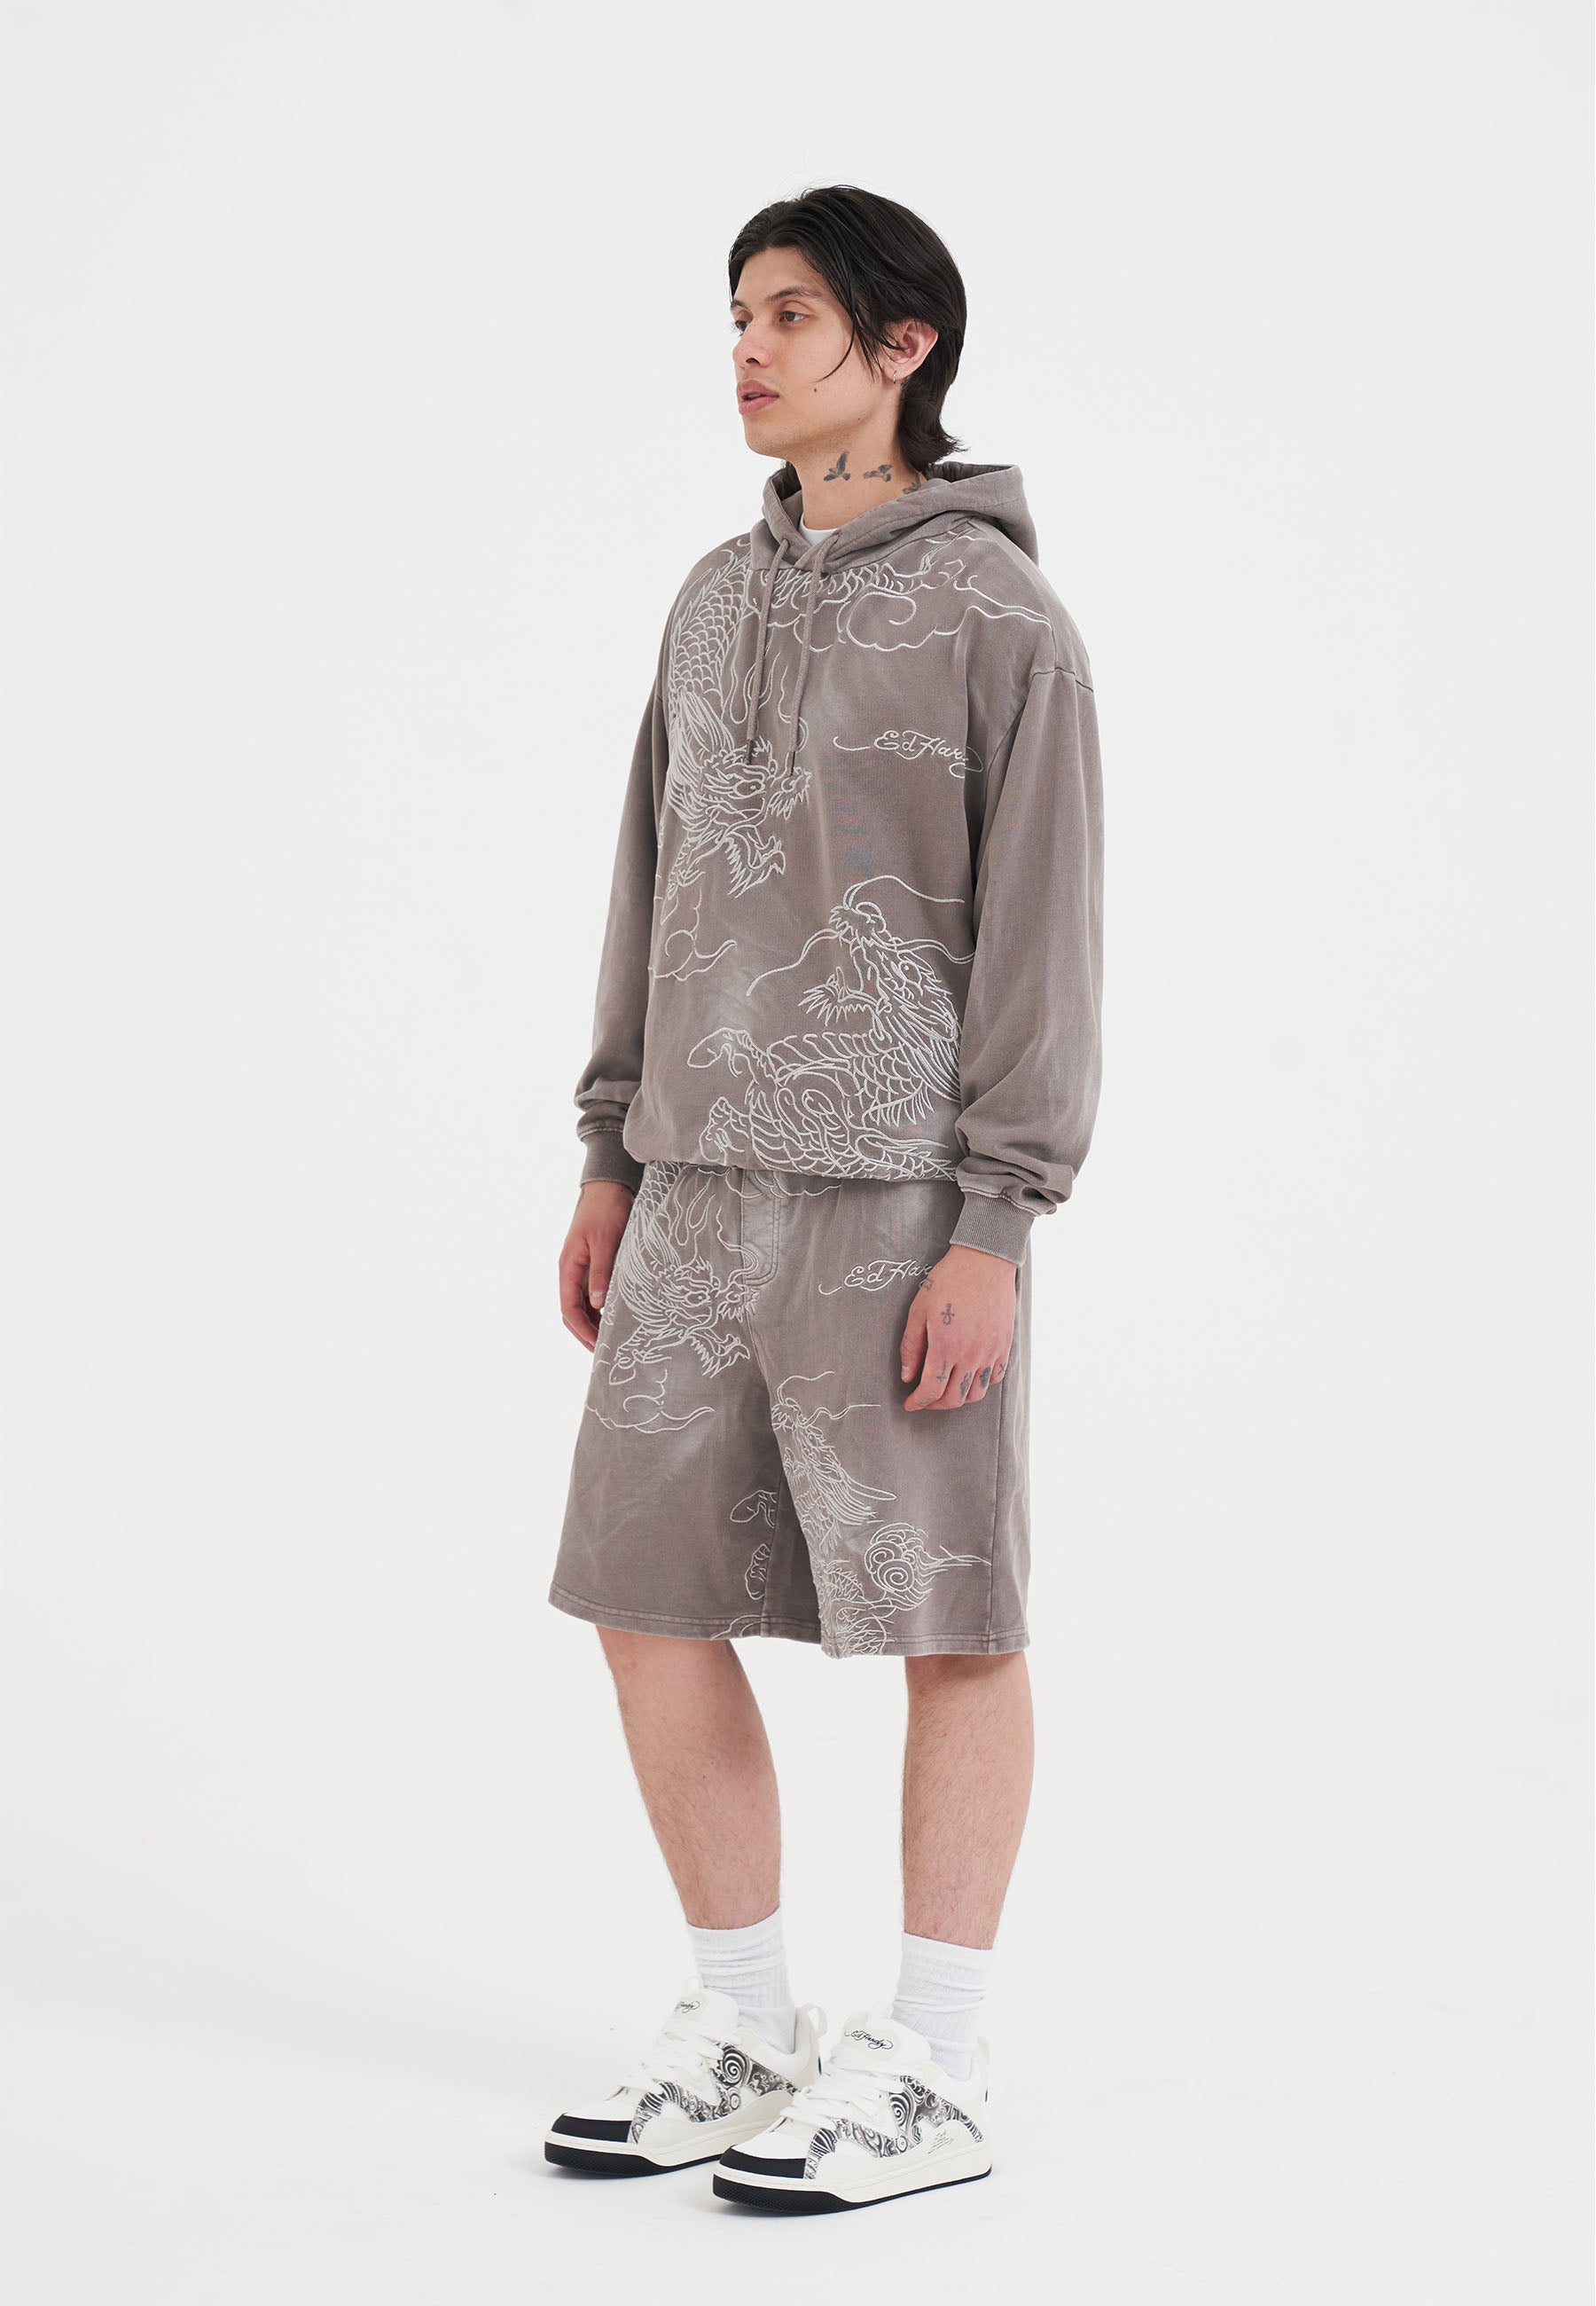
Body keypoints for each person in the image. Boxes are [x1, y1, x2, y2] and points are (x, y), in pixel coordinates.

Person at [543, 184, 1104, 2214]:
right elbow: (652, 873)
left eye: (792, 315)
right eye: (739, 316)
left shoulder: (1001, 619)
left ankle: (937, 2062)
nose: (750, 350)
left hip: (898, 1206)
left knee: (949, 1615)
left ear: (905, 343)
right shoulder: (709, 597)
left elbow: (1045, 934)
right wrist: (611, 1145)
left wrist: (998, 1226)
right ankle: (743, 2019)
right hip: (693, 1187)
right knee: (643, 1600)